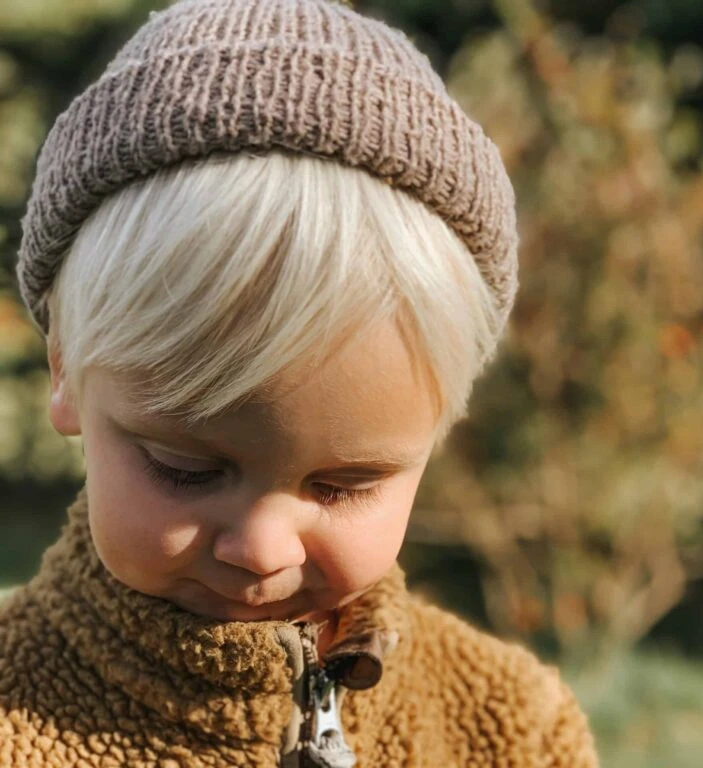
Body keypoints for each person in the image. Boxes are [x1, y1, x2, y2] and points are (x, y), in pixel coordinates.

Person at [0, 0, 599, 765]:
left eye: (344, 486)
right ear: (64, 372)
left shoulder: (515, 730)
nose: (261, 547)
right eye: (186, 468)